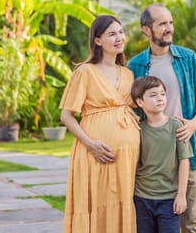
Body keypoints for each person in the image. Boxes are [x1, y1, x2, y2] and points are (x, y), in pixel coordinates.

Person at [127, 3, 196, 233]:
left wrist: (194, 123)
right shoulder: (135, 65)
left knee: (191, 224)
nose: (169, 28)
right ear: (147, 30)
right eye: (162, 23)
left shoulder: (188, 58)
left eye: (171, 22)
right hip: (152, 156)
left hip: (187, 147)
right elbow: (129, 106)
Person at [59, 15, 140, 233]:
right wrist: (91, 144)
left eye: (121, 32)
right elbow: (67, 115)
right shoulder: (85, 71)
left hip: (127, 156)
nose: (119, 38)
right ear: (97, 41)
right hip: (94, 152)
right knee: (95, 202)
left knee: (123, 200)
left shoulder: (128, 74)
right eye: (112, 34)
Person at [131, 76, 193, 233]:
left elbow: (184, 161)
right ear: (140, 102)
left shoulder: (176, 126)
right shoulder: (137, 130)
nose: (160, 98)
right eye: (153, 95)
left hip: (169, 200)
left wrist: (181, 195)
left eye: (162, 94)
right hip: (142, 198)